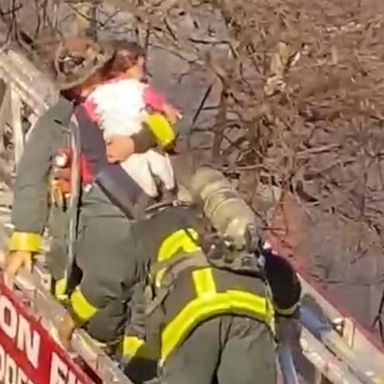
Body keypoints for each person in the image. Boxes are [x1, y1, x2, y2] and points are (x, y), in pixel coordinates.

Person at [58, 166, 301, 384]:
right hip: (253, 313)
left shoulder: (153, 227)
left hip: (195, 316)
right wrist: (287, 316)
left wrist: (72, 318)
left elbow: (109, 277)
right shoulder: (232, 236)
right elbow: (284, 277)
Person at [5, 36, 178, 316]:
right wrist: (25, 240)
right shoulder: (58, 123)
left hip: (140, 226)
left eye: (90, 78)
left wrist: (137, 142)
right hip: (75, 239)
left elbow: (170, 125)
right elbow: (31, 178)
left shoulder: (127, 97)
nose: (86, 89)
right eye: (78, 85)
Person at [84, 40, 181, 198]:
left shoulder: (94, 97)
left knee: (141, 190)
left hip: (116, 155)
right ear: (132, 63)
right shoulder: (141, 89)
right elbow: (171, 117)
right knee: (164, 178)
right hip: (147, 145)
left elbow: (89, 122)